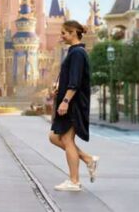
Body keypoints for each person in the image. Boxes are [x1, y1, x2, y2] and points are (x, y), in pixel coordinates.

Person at [49, 20, 99, 192]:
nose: (61, 36)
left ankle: (75, 181)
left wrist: (65, 101)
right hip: (70, 101)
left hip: (74, 103)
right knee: (54, 137)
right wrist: (59, 90)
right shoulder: (73, 52)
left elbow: (75, 81)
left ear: (73, 33)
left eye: (64, 33)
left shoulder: (77, 53)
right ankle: (87, 159)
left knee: (67, 140)